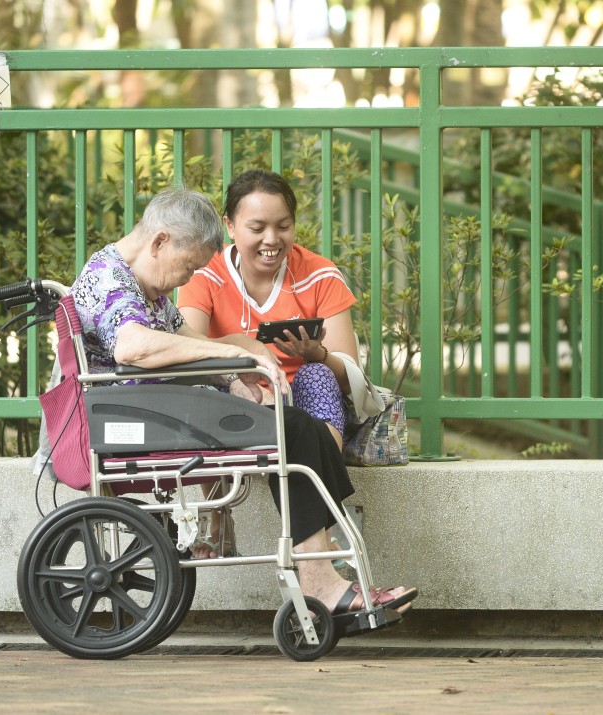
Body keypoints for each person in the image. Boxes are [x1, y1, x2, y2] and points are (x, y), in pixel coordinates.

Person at [69, 186, 417, 615]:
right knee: (291, 428)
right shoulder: (110, 278)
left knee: (294, 426)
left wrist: (242, 361)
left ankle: (322, 573)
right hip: (138, 415)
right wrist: (233, 356)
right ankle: (321, 581)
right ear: (160, 241)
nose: (190, 277)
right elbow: (132, 348)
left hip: (157, 407)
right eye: (189, 264)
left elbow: (186, 340)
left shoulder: (143, 284)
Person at [178, 169, 369, 453]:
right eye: (257, 229)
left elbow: (351, 381)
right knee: (201, 392)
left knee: (318, 375)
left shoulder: (320, 273)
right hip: (236, 393)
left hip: (301, 403)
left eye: (283, 226)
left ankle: (325, 481)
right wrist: (235, 376)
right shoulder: (205, 272)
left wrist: (315, 353)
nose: (272, 240)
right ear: (229, 226)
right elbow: (189, 349)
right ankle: (222, 497)